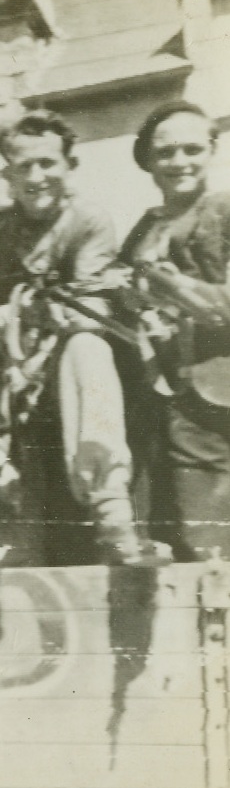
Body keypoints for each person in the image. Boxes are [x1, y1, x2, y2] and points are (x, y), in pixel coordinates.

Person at [0, 109, 171, 568]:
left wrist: (46, 321)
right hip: (7, 388)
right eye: (23, 167)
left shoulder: (88, 222)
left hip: (69, 377)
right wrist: (9, 316)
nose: (36, 177)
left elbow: (90, 313)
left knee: (88, 345)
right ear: (7, 175)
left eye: (48, 164)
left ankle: (111, 500)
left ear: (69, 166)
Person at [120, 101, 228, 560]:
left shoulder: (223, 210)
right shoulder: (143, 229)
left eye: (192, 149)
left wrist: (167, 284)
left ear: (212, 150)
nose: (179, 162)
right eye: (166, 153)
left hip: (219, 389)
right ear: (147, 160)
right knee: (187, 540)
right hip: (165, 398)